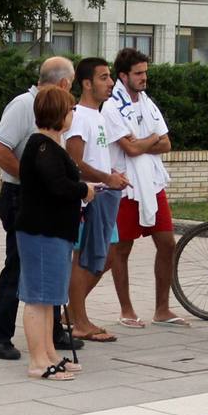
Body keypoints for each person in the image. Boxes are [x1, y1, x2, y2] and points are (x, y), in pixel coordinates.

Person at [0, 56, 79, 360]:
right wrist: (32, 180)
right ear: (64, 83)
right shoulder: (24, 105)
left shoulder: (49, 112)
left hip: (42, 202)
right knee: (18, 265)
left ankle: (50, 335)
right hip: (19, 196)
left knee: (48, 269)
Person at [104, 47, 188, 328]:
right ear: (123, 75)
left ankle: (162, 309)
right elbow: (128, 148)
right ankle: (126, 309)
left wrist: (144, 141)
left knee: (167, 243)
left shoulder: (146, 101)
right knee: (120, 249)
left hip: (151, 184)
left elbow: (166, 142)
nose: (143, 78)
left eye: (145, 73)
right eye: (138, 73)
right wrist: (148, 140)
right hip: (126, 185)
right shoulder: (112, 106)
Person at [18, 87, 97, 381]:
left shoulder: (51, 145)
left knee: (49, 297)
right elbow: (57, 185)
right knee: (37, 298)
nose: (73, 114)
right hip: (41, 233)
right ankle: (38, 362)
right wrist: (84, 190)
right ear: (58, 113)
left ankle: (49, 352)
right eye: (70, 109)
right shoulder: (42, 147)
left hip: (53, 232)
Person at [64, 56, 129, 343]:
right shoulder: (78, 116)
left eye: (109, 77)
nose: (110, 82)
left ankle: (72, 312)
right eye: (103, 77)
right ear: (86, 83)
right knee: (83, 258)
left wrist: (110, 174)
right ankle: (78, 320)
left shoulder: (98, 116)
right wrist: (106, 178)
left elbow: (93, 158)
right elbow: (75, 163)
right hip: (88, 199)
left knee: (105, 256)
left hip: (104, 195)